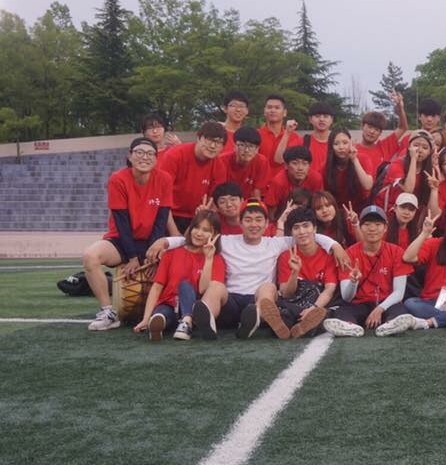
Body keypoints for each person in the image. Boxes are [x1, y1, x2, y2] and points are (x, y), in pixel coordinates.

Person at [146, 200, 348, 340]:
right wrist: (164, 242)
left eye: (259, 220)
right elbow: (194, 238)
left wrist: (335, 246)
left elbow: (306, 235)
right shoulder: (226, 241)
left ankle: (254, 318)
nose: (254, 224)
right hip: (230, 301)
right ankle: (208, 321)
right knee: (216, 285)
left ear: (266, 224)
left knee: (269, 287)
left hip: (257, 299)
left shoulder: (276, 243)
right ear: (240, 223)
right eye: (248, 220)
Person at [85, 138, 174, 331]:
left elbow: (161, 221)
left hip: (151, 240)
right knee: (90, 256)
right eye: (139, 152)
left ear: (156, 159)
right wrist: (133, 257)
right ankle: (108, 312)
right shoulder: (118, 179)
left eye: (150, 154)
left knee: (179, 260)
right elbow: (122, 223)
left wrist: (152, 257)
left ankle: (174, 310)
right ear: (130, 156)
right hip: (122, 239)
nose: (145, 157)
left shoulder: (164, 179)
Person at [323, 206, 427, 337]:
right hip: (359, 304)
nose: (372, 229)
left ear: (385, 228)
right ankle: (351, 327)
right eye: (367, 224)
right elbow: (346, 297)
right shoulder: (349, 253)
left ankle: (391, 324)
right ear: (360, 227)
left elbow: (399, 293)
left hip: (386, 303)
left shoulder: (396, 252)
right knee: (342, 312)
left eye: (378, 225)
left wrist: (379, 309)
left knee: (399, 311)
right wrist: (353, 282)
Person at [133, 210, 224, 341]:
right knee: (161, 314)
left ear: (214, 234)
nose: (199, 233)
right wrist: (145, 318)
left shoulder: (217, 260)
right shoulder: (171, 254)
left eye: (206, 230)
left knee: (185, 285)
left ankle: (186, 321)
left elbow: (203, 290)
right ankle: (157, 324)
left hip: (194, 307)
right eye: (196, 227)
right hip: (168, 304)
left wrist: (208, 259)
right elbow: (157, 287)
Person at [258, 208, 338, 339]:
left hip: (317, 302)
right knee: (285, 313)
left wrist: (314, 308)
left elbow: (329, 290)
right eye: (296, 228)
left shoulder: (328, 256)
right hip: (294, 302)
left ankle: (304, 326)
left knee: (325, 314)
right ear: (291, 232)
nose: (301, 232)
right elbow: (286, 293)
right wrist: (294, 272)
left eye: (306, 226)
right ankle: (287, 326)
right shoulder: (286, 256)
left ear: (315, 228)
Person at [158, 121, 228, 233]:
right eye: (209, 140)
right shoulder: (175, 155)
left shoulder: (219, 166)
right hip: (168, 213)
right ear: (199, 138)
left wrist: (204, 214)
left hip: (198, 216)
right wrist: (174, 233)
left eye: (219, 143)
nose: (213, 146)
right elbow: (161, 197)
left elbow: (214, 202)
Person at [377, 131, 436, 209]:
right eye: (416, 145)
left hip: (412, 211)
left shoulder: (430, 169)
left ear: (430, 152)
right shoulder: (397, 164)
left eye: (425, 148)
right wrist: (413, 159)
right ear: (409, 147)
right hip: (387, 209)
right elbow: (408, 190)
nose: (419, 150)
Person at [321, 126, 374, 210]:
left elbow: (367, 186)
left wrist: (354, 160)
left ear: (351, 143)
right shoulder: (326, 166)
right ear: (331, 147)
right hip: (338, 211)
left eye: (345, 143)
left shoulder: (363, 159)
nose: (341, 147)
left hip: (362, 209)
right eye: (336, 144)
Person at [263, 146, 324, 218]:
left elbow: (318, 204)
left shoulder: (316, 179)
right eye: (295, 163)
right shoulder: (278, 182)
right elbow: (270, 212)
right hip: (282, 217)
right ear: (286, 165)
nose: (300, 168)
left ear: (309, 165)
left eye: (304, 163)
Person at [356, 92, 410, 170]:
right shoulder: (352, 150)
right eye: (369, 127)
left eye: (376, 129)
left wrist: (400, 107)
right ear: (362, 126)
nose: (372, 132)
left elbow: (403, 128)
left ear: (380, 133)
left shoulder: (384, 147)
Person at [218, 126, 270, 201]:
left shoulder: (262, 162)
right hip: (226, 201)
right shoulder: (221, 161)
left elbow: (256, 193)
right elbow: (219, 193)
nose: (246, 150)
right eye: (242, 145)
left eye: (251, 146)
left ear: (257, 149)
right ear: (234, 146)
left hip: (248, 202)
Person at [257, 94, 302, 177]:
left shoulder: (295, 137)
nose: (272, 110)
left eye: (277, 108)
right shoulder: (256, 135)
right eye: (269, 107)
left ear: (284, 112)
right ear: (264, 111)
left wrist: (287, 133)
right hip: (261, 182)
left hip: (285, 183)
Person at [302, 101, 336, 171]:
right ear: (310, 119)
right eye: (317, 116)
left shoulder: (339, 144)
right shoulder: (301, 142)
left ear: (332, 120)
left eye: (325, 116)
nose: (321, 119)